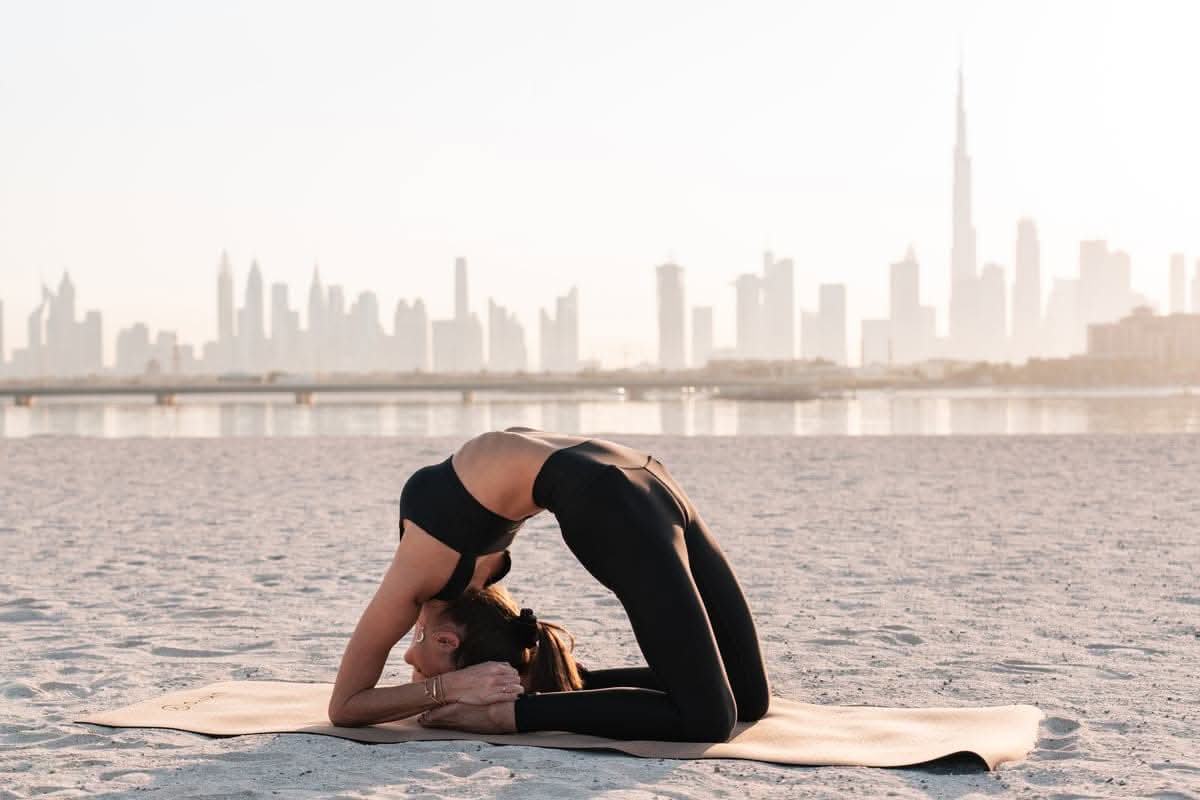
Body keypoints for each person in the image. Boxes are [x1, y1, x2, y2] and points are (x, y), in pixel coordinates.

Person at [329, 428, 770, 742]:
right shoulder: (464, 585)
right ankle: (566, 688)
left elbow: (345, 706)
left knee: (707, 719)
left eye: (421, 673)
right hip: (641, 472)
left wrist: (453, 692)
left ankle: (511, 715)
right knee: (747, 696)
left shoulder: (416, 576)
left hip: (608, 495)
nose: (408, 663)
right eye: (421, 673)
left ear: (444, 638)